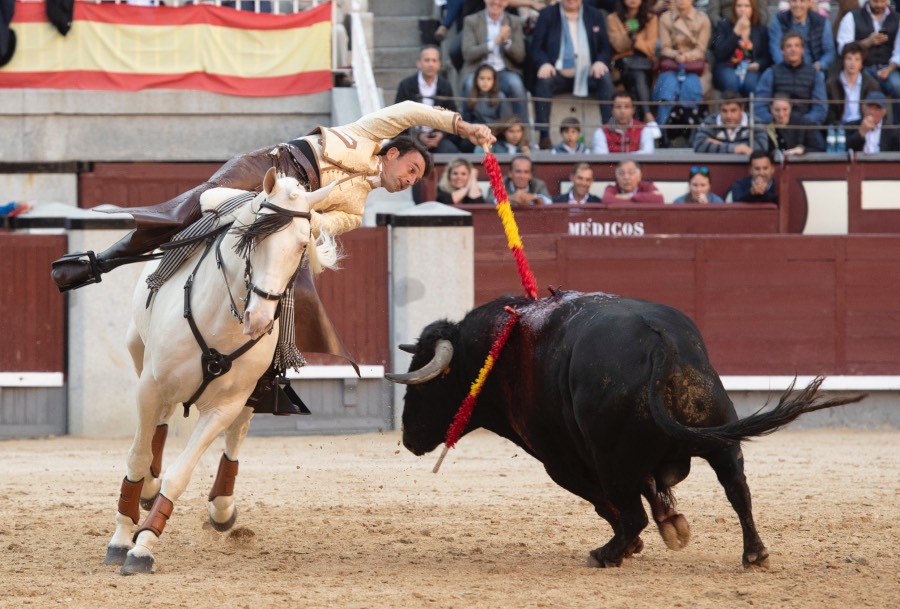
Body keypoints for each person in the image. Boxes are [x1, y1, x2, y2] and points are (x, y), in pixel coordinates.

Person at [51, 100, 496, 292]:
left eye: (418, 179)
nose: (411, 180)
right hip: (271, 165)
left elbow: (321, 224)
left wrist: (302, 217)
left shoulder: (357, 209)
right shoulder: (367, 133)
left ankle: (272, 373)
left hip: (288, 209)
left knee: (286, 281)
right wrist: (463, 127)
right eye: (412, 170)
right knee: (194, 206)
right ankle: (99, 262)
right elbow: (412, 111)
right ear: (394, 153)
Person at [531, 0, 617, 149]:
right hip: (558, 72)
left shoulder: (594, 14)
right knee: (544, 81)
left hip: (587, 72)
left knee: (605, 77)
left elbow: (605, 47)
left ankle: (609, 132)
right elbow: (536, 48)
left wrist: (600, 61)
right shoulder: (547, 14)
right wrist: (544, 63)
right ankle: (544, 136)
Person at [461, 0, 530, 124]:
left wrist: (507, 42)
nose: (496, 2)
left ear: (506, 2)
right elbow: (468, 53)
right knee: (469, 84)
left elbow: (520, 56)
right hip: (478, 70)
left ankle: (522, 131)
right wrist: (494, 42)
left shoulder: (514, 21)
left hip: (503, 71)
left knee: (516, 85)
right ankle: (465, 128)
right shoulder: (471, 20)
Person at [651, 0, 711, 138]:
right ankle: (662, 130)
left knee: (692, 87)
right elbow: (665, 47)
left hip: (694, 67)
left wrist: (687, 56)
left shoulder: (702, 19)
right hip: (672, 64)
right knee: (667, 88)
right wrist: (676, 55)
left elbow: (701, 49)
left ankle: (693, 132)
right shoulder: (666, 18)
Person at [835, 0, 900, 122]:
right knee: (862, 85)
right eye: (875, 1)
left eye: (882, 1)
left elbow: (899, 51)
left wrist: (889, 68)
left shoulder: (896, 19)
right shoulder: (852, 17)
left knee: (898, 85)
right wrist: (867, 42)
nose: (879, 5)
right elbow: (843, 48)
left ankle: (897, 128)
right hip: (862, 68)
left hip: (889, 68)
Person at [395, 46, 461, 154]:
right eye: (427, 60)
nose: (430, 64)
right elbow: (398, 117)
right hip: (412, 137)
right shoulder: (406, 85)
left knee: (452, 151)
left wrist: (441, 135)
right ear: (419, 63)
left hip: (438, 138)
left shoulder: (445, 86)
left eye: (434, 60)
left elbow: (452, 114)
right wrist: (419, 136)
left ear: (439, 64)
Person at [753, 32, 828, 126]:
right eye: (789, 46)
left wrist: (802, 123)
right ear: (782, 51)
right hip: (776, 125)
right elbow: (759, 105)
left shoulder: (815, 74)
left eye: (797, 46)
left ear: (802, 50)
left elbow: (820, 109)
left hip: (805, 126)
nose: (793, 49)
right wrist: (774, 121)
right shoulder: (771, 73)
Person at [606, 0, 659, 123]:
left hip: (644, 62)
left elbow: (650, 48)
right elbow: (618, 46)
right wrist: (628, 36)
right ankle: (648, 115)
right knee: (638, 75)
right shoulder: (613, 18)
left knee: (638, 76)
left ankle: (639, 121)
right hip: (622, 63)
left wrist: (634, 38)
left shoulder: (651, 18)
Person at [710, 0, 772, 96]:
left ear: (752, 9)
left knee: (752, 84)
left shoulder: (761, 29)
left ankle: (752, 106)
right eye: (739, 6)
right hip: (727, 66)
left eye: (747, 6)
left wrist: (758, 64)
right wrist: (736, 32)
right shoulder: (723, 25)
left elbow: (767, 58)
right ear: (734, 9)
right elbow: (719, 53)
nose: (742, 9)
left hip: (751, 69)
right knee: (731, 82)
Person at [692, 91, 769, 154]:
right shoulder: (711, 121)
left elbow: (762, 147)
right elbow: (698, 145)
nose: (728, 116)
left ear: (742, 109)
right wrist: (734, 148)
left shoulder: (754, 121)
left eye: (733, 110)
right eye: (724, 111)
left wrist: (721, 145)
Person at [768, 0, 835, 72]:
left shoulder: (821, 23)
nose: (798, 5)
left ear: (809, 3)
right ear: (789, 2)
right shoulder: (779, 20)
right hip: (785, 69)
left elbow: (829, 52)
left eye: (802, 1)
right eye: (794, 1)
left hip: (813, 70)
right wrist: (785, 67)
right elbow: (775, 48)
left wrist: (820, 65)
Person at [826, 41, 882, 126]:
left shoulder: (871, 85)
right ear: (843, 61)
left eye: (857, 59)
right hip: (840, 127)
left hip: (863, 126)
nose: (852, 63)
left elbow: (877, 110)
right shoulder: (831, 84)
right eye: (849, 59)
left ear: (861, 63)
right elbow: (829, 113)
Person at [591, 91, 657, 153]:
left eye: (627, 107)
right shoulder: (601, 132)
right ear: (612, 110)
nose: (622, 111)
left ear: (633, 110)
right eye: (618, 107)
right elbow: (602, 157)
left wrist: (625, 160)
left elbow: (647, 154)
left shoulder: (644, 129)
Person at [485, 154, 553, 205]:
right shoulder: (499, 183)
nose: (522, 176)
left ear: (531, 175)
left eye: (526, 172)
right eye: (518, 171)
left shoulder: (538, 184)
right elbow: (489, 200)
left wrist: (534, 198)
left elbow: (549, 201)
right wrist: (510, 198)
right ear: (510, 173)